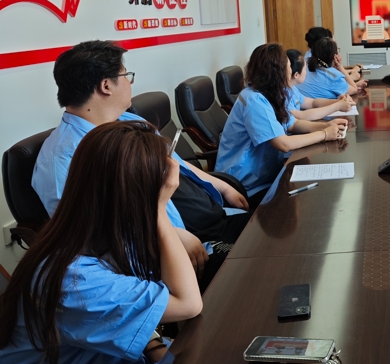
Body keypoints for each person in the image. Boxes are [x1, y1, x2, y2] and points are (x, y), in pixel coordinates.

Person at [0, 121, 202, 364]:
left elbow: (128, 304)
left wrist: (154, 345)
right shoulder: (73, 279)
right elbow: (188, 303)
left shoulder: (100, 231)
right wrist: (157, 209)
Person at [31, 41, 250, 291]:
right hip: (168, 259)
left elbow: (178, 165)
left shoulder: (129, 121)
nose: (130, 83)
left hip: (206, 221)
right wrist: (173, 236)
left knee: (269, 229)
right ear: (106, 85)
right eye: (126, 76)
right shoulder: (60, 160)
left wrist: (222, 186)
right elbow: (89, 235)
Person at [216, 43, 348, 206]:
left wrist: (326, 126)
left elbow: (293, 124)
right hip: (244, 186)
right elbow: (284, 144)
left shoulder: (273, 93)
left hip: (266, 176)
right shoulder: (254, 101)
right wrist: (324, 134)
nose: (291, 70)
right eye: (288, 66)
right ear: (276, 72)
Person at [286, 49, 355, 120]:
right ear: (296, 75)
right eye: (305, 69)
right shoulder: (282, 94)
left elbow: (312, 103)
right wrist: (337, 106)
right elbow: (301, 116)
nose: (306, 72)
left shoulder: (293, 89)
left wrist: (337, 101)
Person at [299, 38, 367, 98]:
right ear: (335, 57)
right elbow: (354, 90)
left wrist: (352, 85)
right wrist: (340, 67)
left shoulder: (305, 69)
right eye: (338, 51)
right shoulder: (334, 75)